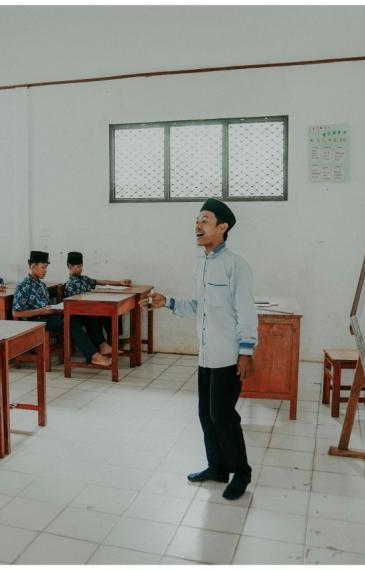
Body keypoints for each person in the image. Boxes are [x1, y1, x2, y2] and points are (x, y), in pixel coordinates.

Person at [148, 198, 258, 500]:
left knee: (223, 415)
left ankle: (241, 472)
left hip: (229, 355)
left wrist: (246, 352)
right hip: (207, 355)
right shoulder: (204, 265)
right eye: (197, 220)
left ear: (222, 227)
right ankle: (217, 468)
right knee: (206, 414)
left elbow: (247, 312)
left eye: (205, 220)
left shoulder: (237, 266)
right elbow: (200, 306)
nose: (197, 226)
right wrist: (168, 302)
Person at [12, 251, 112, 366]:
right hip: (36, 319)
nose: (46, 270)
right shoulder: (23, 286)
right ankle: (93, 356)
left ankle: (101, 345)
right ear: (33, 266)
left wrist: (55, 309)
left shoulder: (42, 285)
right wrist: (41, 311)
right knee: (70, 322)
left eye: (46, 267)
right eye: (43, 267)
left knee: (83, 314)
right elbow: (16, 313)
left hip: (47, 315)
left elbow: (46, 306)